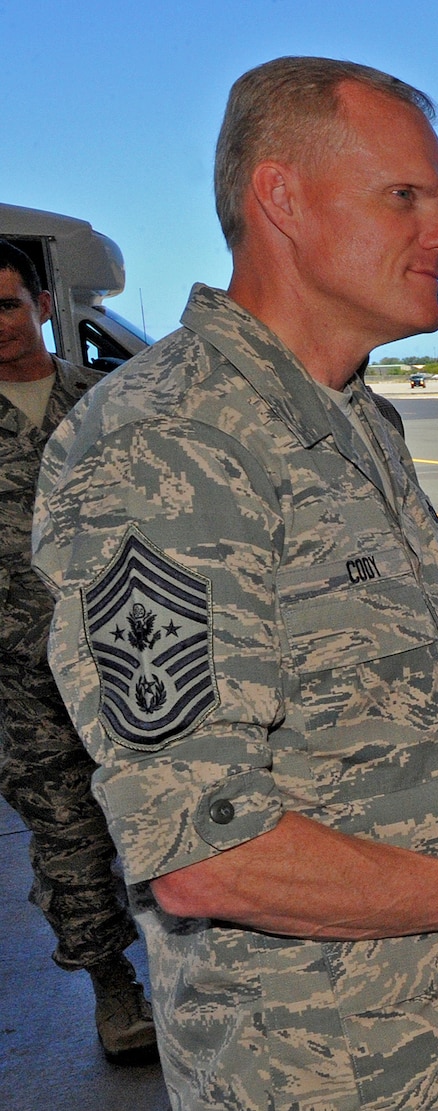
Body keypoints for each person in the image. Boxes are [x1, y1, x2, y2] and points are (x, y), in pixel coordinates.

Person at [32, 57, 438, 1110]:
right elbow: (209, 855)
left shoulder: (355, 424)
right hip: (320, 1069)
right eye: (406, 197)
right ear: (281, 199)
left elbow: (399, 725)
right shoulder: (169, 446)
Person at [0, 240, 156, 1063]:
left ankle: (187, 969)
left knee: (166, 810)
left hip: (131, 661)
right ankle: (113, 989)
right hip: (23, 680)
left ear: (43, 307)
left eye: (5, 305)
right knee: (68, 834)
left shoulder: (108, 401)